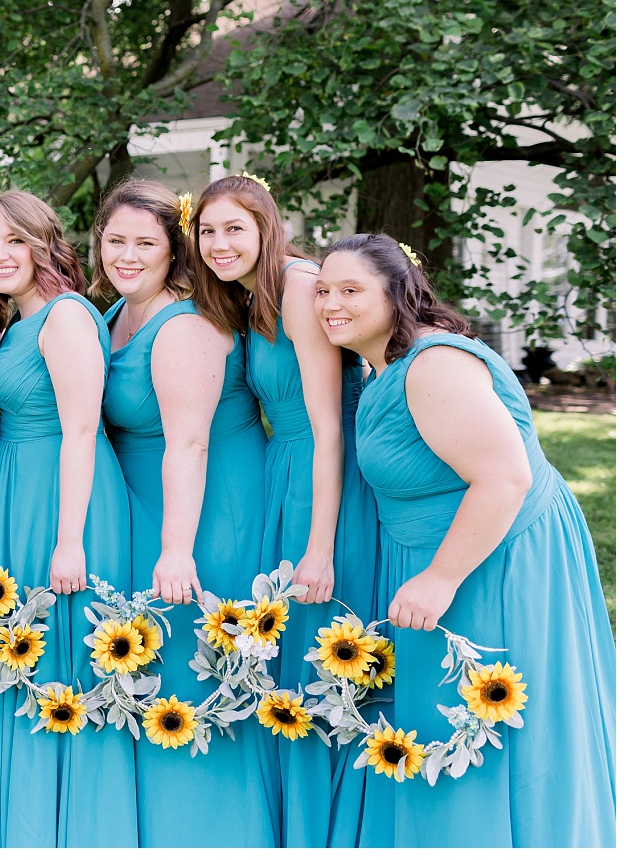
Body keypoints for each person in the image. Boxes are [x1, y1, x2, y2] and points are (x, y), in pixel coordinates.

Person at [317, 233, 615, 847]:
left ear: (398, 293)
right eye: (323, 290)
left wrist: (440, 578)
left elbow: (505, 477)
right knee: (437, 722)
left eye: (351, 290)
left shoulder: (433, 366)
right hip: (442, 549)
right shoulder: (380, 364)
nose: (330, 304)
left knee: (488, 721)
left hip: (489, 555)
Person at [193, 174, 378, 846]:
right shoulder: (248, 299)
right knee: (294, 648)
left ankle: (332, 825)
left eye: (234, 228)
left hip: (327, 472)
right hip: (287, 470)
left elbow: (330, 425)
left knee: (326, 635)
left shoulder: (300, 288)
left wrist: (320, 544)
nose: (218, 243)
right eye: (207, 231)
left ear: (267, 227)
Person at [97, 178, 278, 846]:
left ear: (175, 252)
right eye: (115, 240)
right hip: (151, 510)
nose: (127, 254)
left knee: (192, 677)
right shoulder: (117, 311)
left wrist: (177, 550)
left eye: (145, 242)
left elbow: (190, 441)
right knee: (152, 675)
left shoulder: (185, 321)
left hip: (206, 516)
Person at [0, 190, 137, 847]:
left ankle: (79, 832)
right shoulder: (19, 320)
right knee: (31, 658)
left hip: (66, 501)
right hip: (24, 493)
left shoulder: (67, 315)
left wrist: (70, 539)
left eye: (14, 240)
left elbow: (81, 428)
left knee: (68, 663)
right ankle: (31, 824)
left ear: (46, 244)